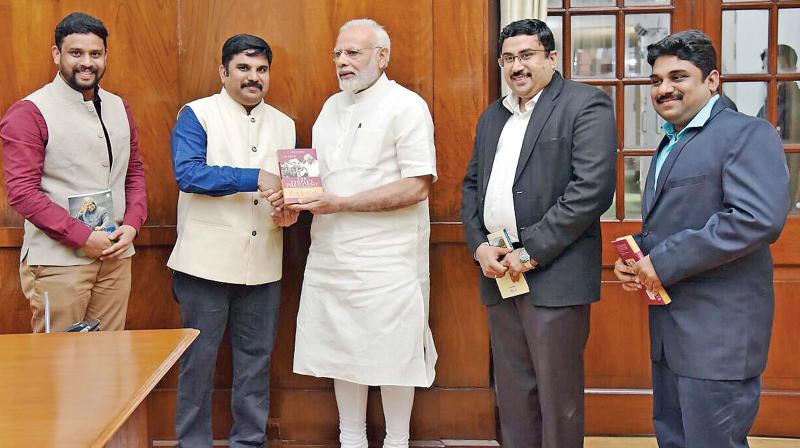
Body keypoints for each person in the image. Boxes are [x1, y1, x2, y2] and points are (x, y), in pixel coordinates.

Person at [613, 30, 790, 448]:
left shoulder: (747, 134)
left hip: (718, 338)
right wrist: (640, 254)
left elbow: (755, 219)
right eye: (656, 81)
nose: (664, 88)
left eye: (679, 77)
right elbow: (685, 219)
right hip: (672, 337)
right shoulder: (670, 142)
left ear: (712, 81)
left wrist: (665, 260)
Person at [279, 18, 437, 448]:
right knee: (341, 353)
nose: (343, 62)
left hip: (387, 262)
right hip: (332, 257)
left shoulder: (408, 105)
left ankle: (397, 440)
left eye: (354, 53)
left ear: (382, 57)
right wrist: (291, 205)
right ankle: (351, 439)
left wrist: (341, 204)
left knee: (393, 355)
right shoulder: (330, 108)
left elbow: (418, 185)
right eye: (338, 54)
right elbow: (312, 183)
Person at [461, 18, 616, 448]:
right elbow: (472, 186)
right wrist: (478, 247)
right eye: (508, 58)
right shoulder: (493, 116)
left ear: (551, 58)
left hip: (554, 274)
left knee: (558, 398)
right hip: (499, 275)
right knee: (513, 394)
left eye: (527, 55)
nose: (517, 66)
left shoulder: (586, 105)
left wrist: (529, 252)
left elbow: (592, 192)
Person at [167, 34, 297, 447]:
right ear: (223, 71)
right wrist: (254, 177)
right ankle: (193, 443)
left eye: (261, 69)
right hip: (204, 265)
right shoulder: (196, 114)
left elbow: (292, 187)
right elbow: (188, 174)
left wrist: (289, 210)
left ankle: (248, 442)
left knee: (255, 366)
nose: (253, 77)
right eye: (243, 68)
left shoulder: (285, 123)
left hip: (264, 263)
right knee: (197, 365)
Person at [0, 12, 147, 333]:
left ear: (106, 56)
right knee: (59, 368)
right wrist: (83, 237)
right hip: (58, 263)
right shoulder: (29, 112)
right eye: (76, 53)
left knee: (108, 362)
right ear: (57, 54)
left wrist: (133, 225)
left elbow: (133, 173)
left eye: (95, 54)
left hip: (115, 257)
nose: (87, 63)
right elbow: (22, 193)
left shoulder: (119, 106)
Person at [758, 44, 800, 209]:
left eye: (779, 67)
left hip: (792, 189)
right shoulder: (768, 105)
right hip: (770, 186)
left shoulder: (796, 103)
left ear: (792, 70)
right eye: (765, 68)